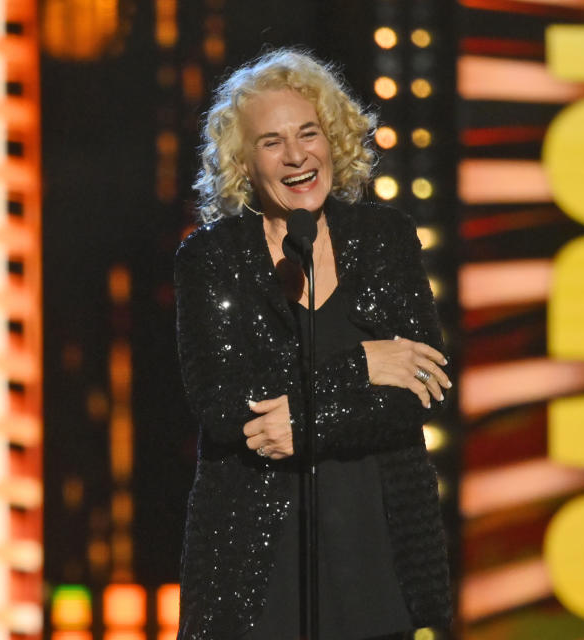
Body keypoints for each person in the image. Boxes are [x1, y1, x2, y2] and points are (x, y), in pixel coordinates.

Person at [174, 48, 452, 639]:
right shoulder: (211, 260)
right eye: (271, 142)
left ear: (335, 140)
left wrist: (302, 416)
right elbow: (231, 407)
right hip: (254, 571)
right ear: (243, 162)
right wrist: (364, 366)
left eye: (309, 133)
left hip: (378, 559)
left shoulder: (385, 239)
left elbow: (424, 389)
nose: (297, 155)